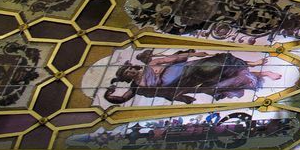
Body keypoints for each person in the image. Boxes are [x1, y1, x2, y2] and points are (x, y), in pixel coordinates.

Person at [102, 49, 282, 105]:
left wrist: (193, 53)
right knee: (218, 82)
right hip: (182, 83)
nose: (131, 72)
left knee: (218, 64)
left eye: (130, 70)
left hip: (187, 69)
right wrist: (108, 96)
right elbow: (122, 98)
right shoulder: (137, 87)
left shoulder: (152, 65)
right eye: (128, 74)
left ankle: (254, 66)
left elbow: (172, 58)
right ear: (127, 78)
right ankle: (259, 72)